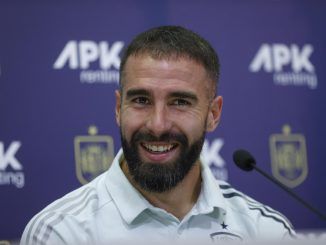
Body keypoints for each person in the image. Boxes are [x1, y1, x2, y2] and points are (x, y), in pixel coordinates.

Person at [21, 26, 295, 244]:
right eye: (141, 100)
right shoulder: (60, 232)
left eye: (180, 102)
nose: (158, 125)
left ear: (213, 114)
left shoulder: (266, 230)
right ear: (118, 108)